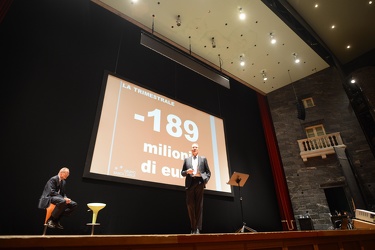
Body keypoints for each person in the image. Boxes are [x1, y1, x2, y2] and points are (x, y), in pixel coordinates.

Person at [181, 143, 211, 234]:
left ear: (198, 149)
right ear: (191, 149)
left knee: (199, 206)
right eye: (193, 147)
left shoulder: (203, 159)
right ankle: (193, 227)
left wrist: (205, 180)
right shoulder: (187, 160)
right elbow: (182, 173)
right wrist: (187, 171)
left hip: (199, 182)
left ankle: (197, 228)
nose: (194, 148)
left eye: (196, 147)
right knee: (190, 206)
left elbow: (208, 172)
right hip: (190, 183)